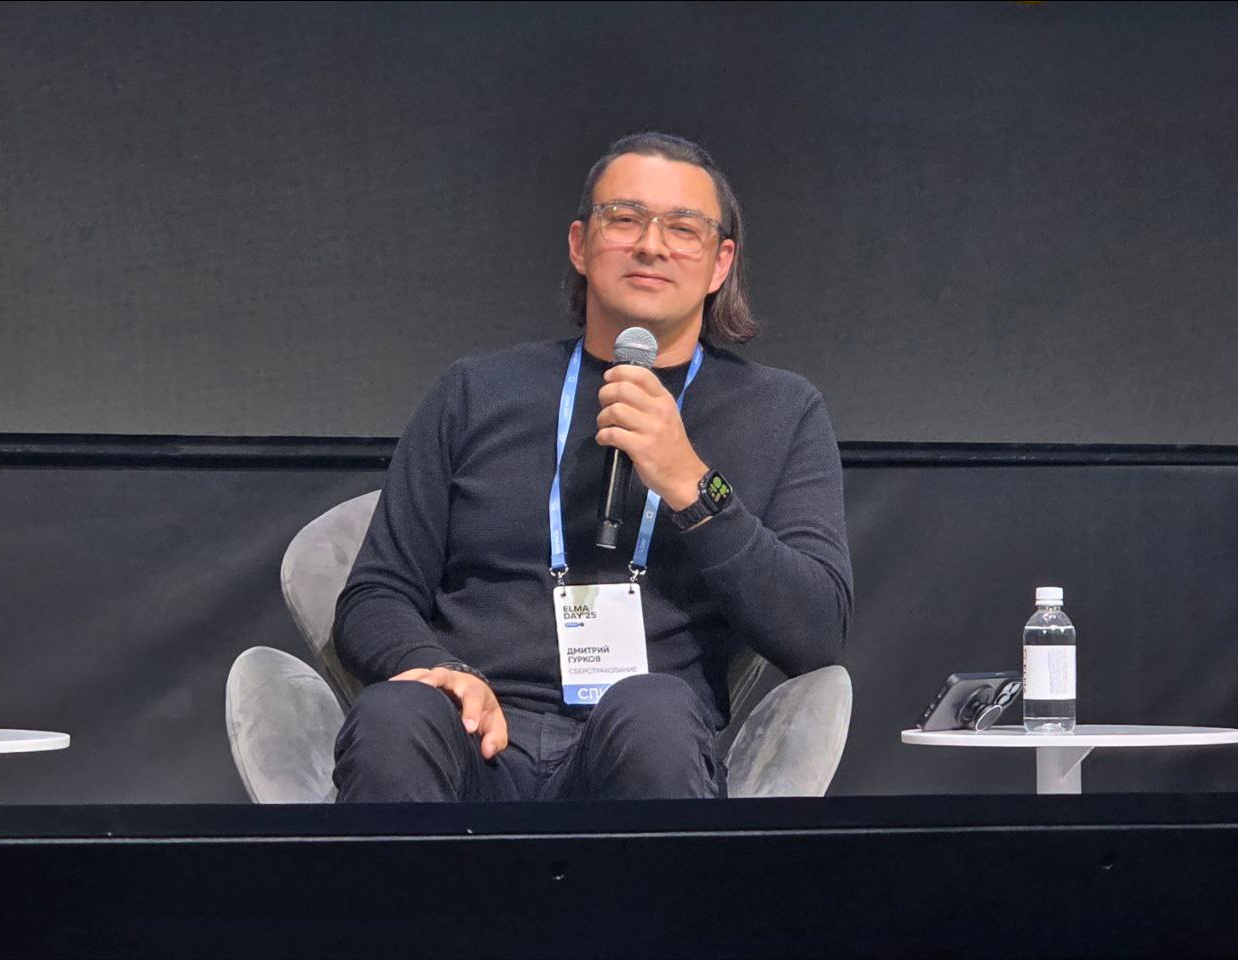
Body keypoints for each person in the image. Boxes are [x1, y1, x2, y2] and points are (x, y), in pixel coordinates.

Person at [331, 131, 853, 802]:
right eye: (625, 219)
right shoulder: (477, 391)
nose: (651, 245)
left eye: (683, 228)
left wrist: (693, 485)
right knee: (395, 714)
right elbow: (375, 595)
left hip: (644, 739)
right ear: (580, 245)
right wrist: (435, 668)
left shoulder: (781, 411)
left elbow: (815, 632)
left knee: (652, 710)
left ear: (720, 263)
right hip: (476, 734)